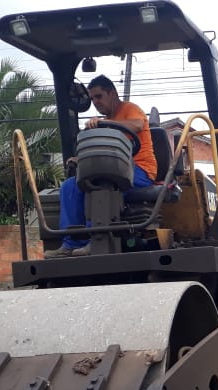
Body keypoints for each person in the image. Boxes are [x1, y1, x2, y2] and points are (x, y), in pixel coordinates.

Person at [45, 75, 159, 258]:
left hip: (140, 170)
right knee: (71, 185)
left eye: (99, 96)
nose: (95, 102)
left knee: (102, 183)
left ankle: (96, 240)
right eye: (92, 99)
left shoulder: (130, 109)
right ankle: (70, 243)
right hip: (113, 169)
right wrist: (80, 158)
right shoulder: (103, 122)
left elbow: (137, 124)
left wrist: (107, 124)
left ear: (112, 93)